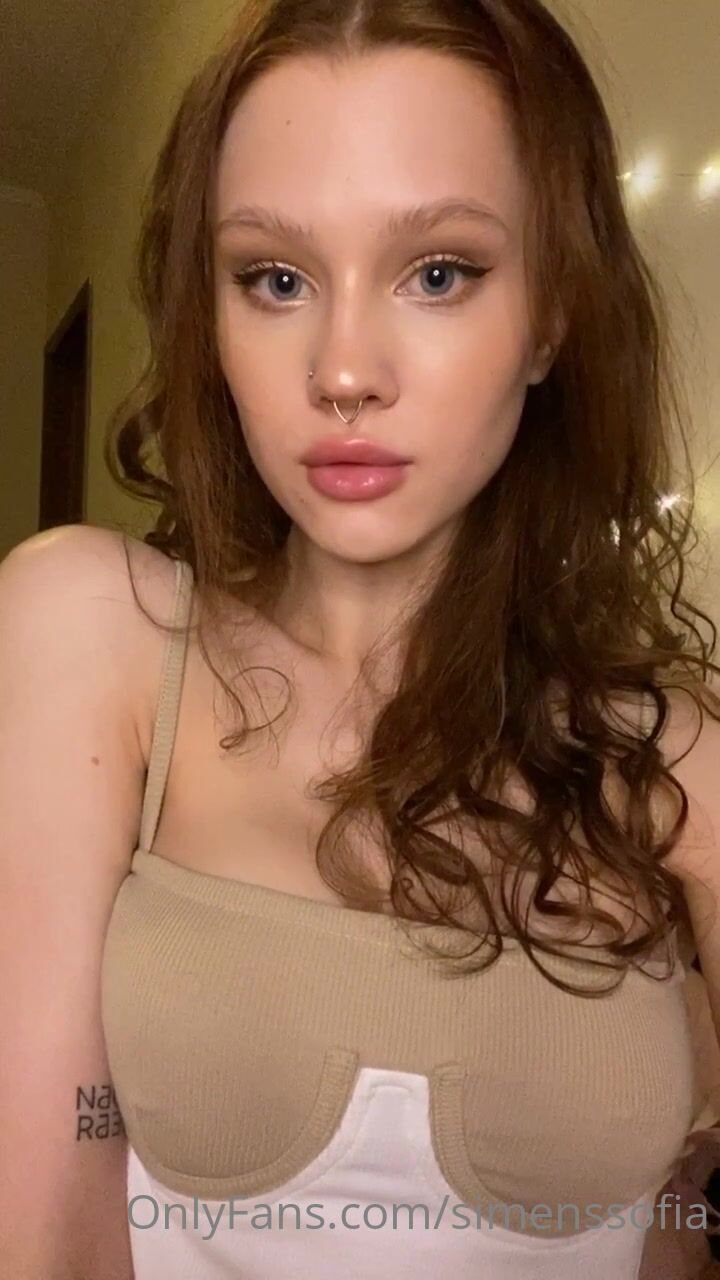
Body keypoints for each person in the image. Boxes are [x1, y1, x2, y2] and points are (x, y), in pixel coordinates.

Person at [2, 0, 720, 1276]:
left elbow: (677, 1232)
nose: (343, 370)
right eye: (274, 279)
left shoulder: (678, 765)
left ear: (552, 316)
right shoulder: (93, 634)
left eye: (438, 271)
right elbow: (45, 1222)